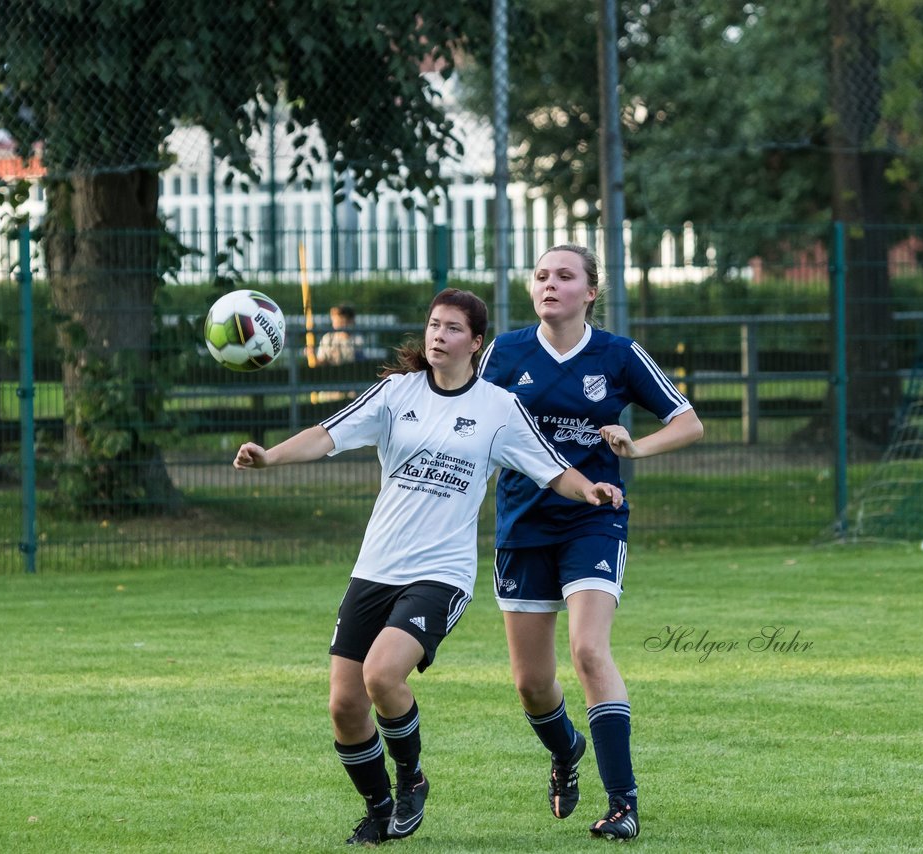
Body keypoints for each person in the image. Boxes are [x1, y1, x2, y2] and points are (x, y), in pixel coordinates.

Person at [234, 288, 624, 846]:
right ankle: (377, 808)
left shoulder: (497, 407)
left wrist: (590, 490)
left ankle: (411, 777)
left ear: (476, 343)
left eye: (452, 329)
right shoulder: (396, 393)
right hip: (376, 567)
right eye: (433, 326)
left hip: (440, 574)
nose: (438, 336)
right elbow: (327, 435)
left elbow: (552, 467)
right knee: (345, 706)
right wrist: (270, 456)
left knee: (382, 674)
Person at [478, 244, 704, 841]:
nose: (550, 284)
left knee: (588, 651)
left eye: (564, 276)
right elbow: (469, 419)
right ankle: (566, 749)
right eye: (541, 275)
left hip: (593, 521)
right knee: (531, 683)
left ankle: (623, 803)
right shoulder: (504, 352)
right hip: (521, 523)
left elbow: (688, 422)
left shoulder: (618, 354)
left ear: (591, 291)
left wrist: (637, 446)